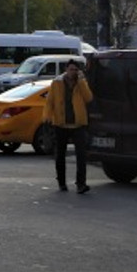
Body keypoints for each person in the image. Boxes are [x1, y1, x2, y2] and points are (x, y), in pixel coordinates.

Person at [44, 59, 94, 194]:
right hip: (61, 123)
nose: (73, 72)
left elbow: (88, 98)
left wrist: (82, 82)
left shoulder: (81, 83)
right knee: (60, 155)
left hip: (78, 124)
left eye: (75, 70)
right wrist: (47, 117)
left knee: (81, 156)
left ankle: (81, 184)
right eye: (71, 69)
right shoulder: (57, 83)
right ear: (66, 69)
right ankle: (61, 182)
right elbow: (50, 101)